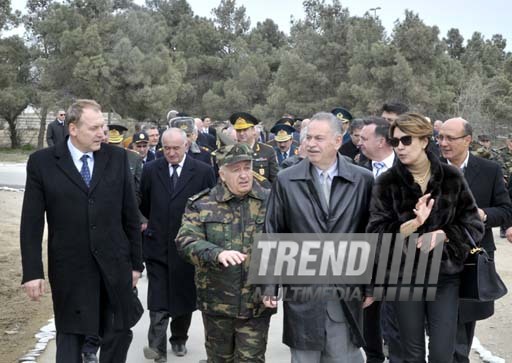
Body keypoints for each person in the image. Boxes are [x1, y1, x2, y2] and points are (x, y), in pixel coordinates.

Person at [20, 99, 143, 363]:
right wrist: (32, 272)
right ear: (73, 129)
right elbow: (31, 222)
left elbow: (130, 216)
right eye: (95, 128)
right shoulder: (42, 163)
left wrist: (136, 264)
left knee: (117, 333)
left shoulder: (118, 158)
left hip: (114, 264)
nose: (102, 133)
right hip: (70, 269)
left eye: (103, 126)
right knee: (71, 338)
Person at [367, 112, 484, 363]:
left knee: (443, 353)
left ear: (423, 140)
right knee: (413, 354)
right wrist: (413, 224)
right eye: (395, 141)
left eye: (406, 140)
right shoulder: (386, 183)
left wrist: (445, 234)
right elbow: (375, 233)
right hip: (404, 276)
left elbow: (474, 225)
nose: (399, 147)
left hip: (445, 278)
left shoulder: (452, 178)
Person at [264, 111, 374, 363]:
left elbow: (370, 235)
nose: (311, 144)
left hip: (345, 287)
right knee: (303, 355)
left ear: (338, 140)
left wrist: (371, 284)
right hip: (303, 288)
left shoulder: (362, 180)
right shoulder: (286, 180)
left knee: (343, 356)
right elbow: (273, 231)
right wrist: (269, 283)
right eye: (308, 137)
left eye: (319, 138)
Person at [176, 143, 276, 362]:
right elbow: (185, 241)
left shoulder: (270, 202)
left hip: (255, 305)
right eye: (235, 169)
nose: (243, 175)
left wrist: (274, 285)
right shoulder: (202, 204)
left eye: (247, 167)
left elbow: (284, 243)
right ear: (222, 173)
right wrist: (216, 253)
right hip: (217, 304)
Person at [437, 117, 512, 363]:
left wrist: (483, 214)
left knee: (464, 319)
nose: (443, 143)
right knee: (441, 320)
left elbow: (505, 210)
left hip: (473, 258)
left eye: (450, 138)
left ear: (468, 140)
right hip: (437, 257)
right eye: (440, 137)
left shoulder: (489, 170)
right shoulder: (428, 168)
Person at [140, 128, 216, 362]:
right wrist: (146, 225)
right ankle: (157, 349)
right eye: (166, 148)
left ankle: (179, 338)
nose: (171, 153)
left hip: (188, 247)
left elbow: (211, 205)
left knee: (183, 297)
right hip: (157, 245)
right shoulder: (151, 170)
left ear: (186, 145)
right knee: (158, 300)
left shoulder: (202, 171)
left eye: (176, 148)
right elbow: (143, 203)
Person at [357, 116, 401, 363]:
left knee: (398, 321)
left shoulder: (408, 168)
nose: (359, 142)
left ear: (382, 141)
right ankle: (374, 357)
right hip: (366, 256)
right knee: (368, 317)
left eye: (364, 138)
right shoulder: (357, 170)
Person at [230, 112, 278, 183]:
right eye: (238, 131)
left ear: (253, 131)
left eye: (245, 129)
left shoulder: (267, 151)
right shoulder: (231, 152)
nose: (242, 133)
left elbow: (275, 179)